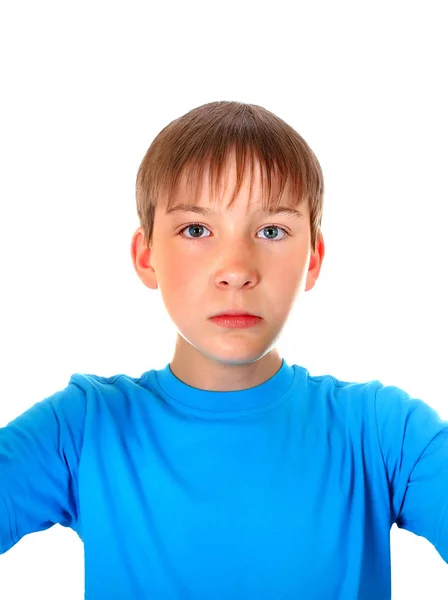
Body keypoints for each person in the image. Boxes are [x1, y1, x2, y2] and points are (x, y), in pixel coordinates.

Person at [1, 101, 447, 599]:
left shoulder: (384, 434)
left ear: (313, 259)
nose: (236, 268)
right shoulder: (82, 429)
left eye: (271, 231)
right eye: (196, 230)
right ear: (147, 256)